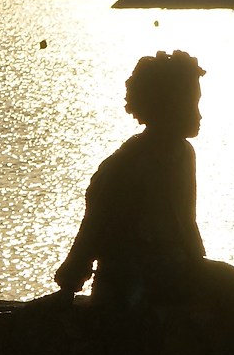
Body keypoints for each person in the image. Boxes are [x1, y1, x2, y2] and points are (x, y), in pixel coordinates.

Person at [54, 50, 207, 310]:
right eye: (190, 104)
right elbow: (94, 227)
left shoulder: (184, 154)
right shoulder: (125, 165)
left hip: (175, 269)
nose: (199, 115)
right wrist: (70, 282)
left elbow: (186, 222)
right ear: (165, 107)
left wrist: (197, 264)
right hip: (129, 277)